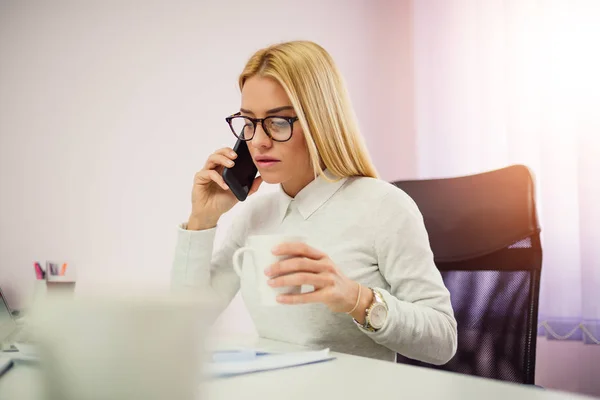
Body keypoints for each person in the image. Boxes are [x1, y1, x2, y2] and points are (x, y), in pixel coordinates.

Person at [171, 40, 457, 364]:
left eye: (278, 122)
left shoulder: (384, 207)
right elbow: (182, 326)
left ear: (318, 121)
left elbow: (442, 340)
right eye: (249, 123)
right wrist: (202, 220)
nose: (259, 141)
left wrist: (357, 299)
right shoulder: (254, 216)